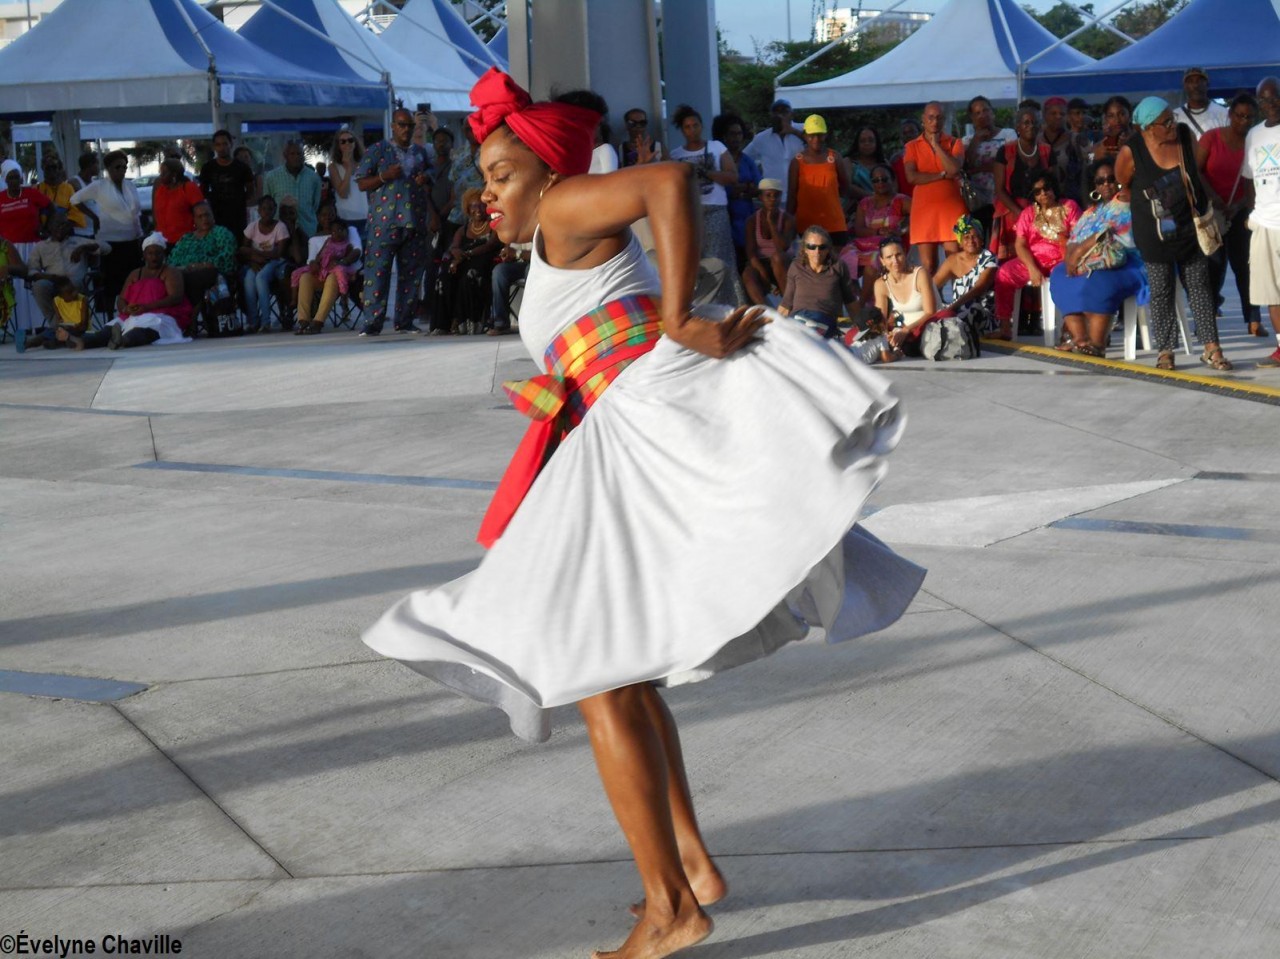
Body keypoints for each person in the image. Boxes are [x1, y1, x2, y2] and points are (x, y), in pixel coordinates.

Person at [362, 68, 922, 959]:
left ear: (547, 173)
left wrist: (677, 318)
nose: (489, 191)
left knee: (598, 675)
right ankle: (690, 867)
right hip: (617, 433)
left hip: (635, 425)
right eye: (485, 176)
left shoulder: (564, 205)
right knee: (620, 673)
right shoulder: (555, 223)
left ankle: (671, 909)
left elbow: (668, 182)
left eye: (503, 173)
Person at [1116, 97, 1230, 371]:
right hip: (1152, 231)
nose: (1172, 125)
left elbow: (1196, 172)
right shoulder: (1132, 150)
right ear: (1147, 128)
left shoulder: (1184, 136)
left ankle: (1212, 348)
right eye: (1165, 122)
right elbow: (1123, 180)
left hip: (1189, 227)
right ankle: (1166, 351)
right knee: (1161, 290)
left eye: (1172, 119)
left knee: (1200, 287)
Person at [1049, 159, 1147, 357]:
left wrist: (1080, 251)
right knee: (1060, 274)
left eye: (1111, 179)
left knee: (1098, 280)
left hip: (1126, 261)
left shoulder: (1126, 200)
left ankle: (1097, 343)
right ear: (1094, 186)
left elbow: (1106, 233)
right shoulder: (1091, 212)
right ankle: (1080, 338)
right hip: (1092, 260)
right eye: (1100, 181)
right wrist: (1071, 259)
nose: (1107, 184)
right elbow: (1073, 240)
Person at [354, 107, 432, 336]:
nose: (406, 129)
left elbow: (430, 177)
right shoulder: (377, 150)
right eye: (402, 125)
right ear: (393, 126)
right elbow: (361, 183)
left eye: (410, 126)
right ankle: (372, 323)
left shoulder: (420, 152)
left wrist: (425, 179)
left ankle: (404, 321)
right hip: (384, 223)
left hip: (414, 221)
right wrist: (383, 176)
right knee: (377, 273)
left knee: (411, 275)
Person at [1197, 93, 1261, 335]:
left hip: (1240, 211)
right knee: (1213, 267)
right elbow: (1196, 170)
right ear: (1230, 114)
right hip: (1212, 212)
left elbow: (1257, 181)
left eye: (1249, 117)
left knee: (1245, 266)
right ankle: (1208, 321)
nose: (1243, 121)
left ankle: (1253, 319)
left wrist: (1239, 204)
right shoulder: (1212, 138)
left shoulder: (1255, 142)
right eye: (1239, 115)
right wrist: (1213, 197)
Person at [669, 103, 745, 306]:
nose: (692, 130)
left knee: (721, 258)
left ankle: (731, 304)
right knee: (695, 260)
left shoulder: (717, 148)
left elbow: (733, 176)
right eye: (687, 127)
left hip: (715, 210)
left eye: (695, 125)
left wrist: (707, 173)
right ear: (682, 130)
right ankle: (702, 305)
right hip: (689, 214)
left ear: (701, 126)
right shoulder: (676, 155)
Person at [993, 170, 1080, 340]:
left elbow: (1079, 236)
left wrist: (1069, 256)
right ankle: (1005, 328)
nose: (1043, 194)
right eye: (1037, 191)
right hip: (1034, 260)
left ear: (1054, 187)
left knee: (1069, 278)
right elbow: (1020, 245)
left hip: (1063, 259)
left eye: (1046, 188)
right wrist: (1032, 268)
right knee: (1003, 274)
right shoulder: (1028, 213)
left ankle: (1069, 328)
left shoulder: (1069, 206)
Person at [66, 232, 191, 350]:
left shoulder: (170, 272)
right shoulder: (135, 274)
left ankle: (122, 340)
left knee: (143, 330)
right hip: (133, 314)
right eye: (150, 253)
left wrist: (146, 307)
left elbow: (175, 297)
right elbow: (121, 299)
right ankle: (81, 341)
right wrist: (125, 309)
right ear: (144, 255)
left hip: (161, 315)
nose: (154, 257)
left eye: (158, 253)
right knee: (107, 331)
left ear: (163, 254)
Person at [72, 149, 143, 306]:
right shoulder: (99, 186)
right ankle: (111, 317)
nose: (122, 170)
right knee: (111, 285)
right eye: (118, 167)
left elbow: (136, 213)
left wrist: (140, 235)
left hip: (131, 241)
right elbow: (75, 200)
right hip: (110, 242)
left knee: (133, 282)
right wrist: (93, 216)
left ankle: (132, 313)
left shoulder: (130, 185)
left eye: (124, 167)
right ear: (108, 168)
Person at [904, 101, 966, 277]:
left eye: (939, 118)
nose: (935, 122)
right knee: (928, 265)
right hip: (924, 210)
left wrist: (937, 145)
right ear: (923, 119)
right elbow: (911, 177)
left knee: (954, 259)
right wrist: (941, 175)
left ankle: (957, 296)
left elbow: (954, 169)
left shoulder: (954, 142)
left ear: (944, 120)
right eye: (930, 117)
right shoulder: (911, 146)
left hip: (951, 208)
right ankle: (932, 295)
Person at [1245, 76, 1280, 368]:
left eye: (1275, 97)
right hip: (1264, 224)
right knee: (1271, 292)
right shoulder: (1254, 135)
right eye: (1265, 99)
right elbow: (1249, 179)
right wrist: (1251, 215)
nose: (1271, 104)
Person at [25, 211, 108, 328]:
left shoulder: (78, 241)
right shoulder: (40, 246)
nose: (61, 228)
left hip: (76, 283)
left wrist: (84, 248)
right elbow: (32, 270)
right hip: (53, 282)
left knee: (70, 287)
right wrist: (50, 277)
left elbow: (107, 247)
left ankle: (60, 327)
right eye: (57, 224)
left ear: (69, 227)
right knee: (39, 286)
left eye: (64, 224)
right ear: (50, 226)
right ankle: (56, 322)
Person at [990, 108, 1052, 261]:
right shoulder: (1005, 151)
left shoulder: (1046, 150)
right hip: (1011, 211)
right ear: (1018, 127)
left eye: (1034, 122)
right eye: (1026, 123)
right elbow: (999, 189)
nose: (1031, 126)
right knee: (1010, 261)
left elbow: (1052, 183)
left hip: (1040, 211)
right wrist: (1022, 214)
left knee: (1040, 257)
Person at [778, 225, 859, 339]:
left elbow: (850, 300)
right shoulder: (796, 266)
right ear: (805, 249)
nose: (817, 251)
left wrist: (860, 325)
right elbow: (786, 304)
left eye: (822, 247)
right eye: (812, 247)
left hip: (824, 320)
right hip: (798, 318)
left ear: (828, 249)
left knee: (810, 333)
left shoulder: (838, 267)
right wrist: (775, 327)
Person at [2, 159, 53, 334]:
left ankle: (40, 324)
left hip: (32, 246)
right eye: (11, 177)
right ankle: (21, 327)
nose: (15, 181)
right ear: (5, 179)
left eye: (17, 177)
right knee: (17, 287)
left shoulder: (31, 193)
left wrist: (45, 227)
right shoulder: (1, 198)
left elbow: (50, 207)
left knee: (34, 282)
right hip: (11, 249)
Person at [787, 114, 850, 249]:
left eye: (820, 135)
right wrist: (787, 221)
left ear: (825, 135)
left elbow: (845, 186)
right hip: (807, 224)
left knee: (837, 260)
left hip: (834, 223)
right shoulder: (797, 162)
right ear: (805, 136)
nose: (816, 139)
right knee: (812, 260)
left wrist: (832, 201)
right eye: (812, 135)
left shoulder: (835, 157)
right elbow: (792, 194)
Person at [444, 186, 502, 334]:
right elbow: (454, 246)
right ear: (467, 209)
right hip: (464, 261)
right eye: (473, 206)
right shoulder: (463, 229)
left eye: (481, 205)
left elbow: (491, 245)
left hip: (485, 263)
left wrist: (466, 254)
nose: (478, 209)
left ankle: (469, 322)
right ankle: (446, 322)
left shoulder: (493, 225)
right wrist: (456, 254)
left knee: (470, 275)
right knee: (445, 275)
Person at [291, 211, 360, 334]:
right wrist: (315, 263)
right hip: (321, 273)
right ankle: (303, 321)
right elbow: (313, 259)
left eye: (330, 214)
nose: (327, 217)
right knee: (305, 277)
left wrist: (342, 261)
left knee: (333, 277)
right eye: (323, 215)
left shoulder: (349, 233)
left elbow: (356, 252)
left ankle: (318, 322)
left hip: (340, 276)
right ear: (318, 218)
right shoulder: (319, 239)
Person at [848, 163, 910, 298]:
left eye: (884, 179)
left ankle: (862, 302)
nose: (880, 183)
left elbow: (918, 219)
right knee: (845, 259)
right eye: (876, 180)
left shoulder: (902, 200)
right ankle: (857, 297)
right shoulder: (865, 203)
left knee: (873, 262)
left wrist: (901, 231)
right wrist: (877, 232)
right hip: (865, 245)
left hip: (888, 247)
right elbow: (858, 230)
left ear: (893, 180)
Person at [933, 214, 998, 337]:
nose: (971, 241)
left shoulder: (989, 258)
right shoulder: (953, 260)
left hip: (982, 314)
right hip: (957, 311)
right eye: (966, 237)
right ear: (960, 243)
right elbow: (933, 285)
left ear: (982, 240)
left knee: (970, 308)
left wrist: (952, 308)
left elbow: (979, 288)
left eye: (975, 236)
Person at [962, 95, 1016, 237]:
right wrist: (976, 140)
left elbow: (1010, 162)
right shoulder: (966, 141)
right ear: (972, 117)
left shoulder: (1008, 134)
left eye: (985, 110)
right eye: (977, 113)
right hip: (977, 200)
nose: (982, 115)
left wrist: (979, 169)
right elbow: (965, 167)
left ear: (992, 112)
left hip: (1003, 197)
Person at [713, 113, 761, 271]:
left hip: (745, 217)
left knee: (748, 263)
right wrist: (739, 189)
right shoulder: (716, 161)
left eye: (739, 134)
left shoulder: (747, 161)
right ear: (724, 136)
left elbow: (759, 187)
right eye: (732, 134)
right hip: (724, 217)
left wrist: (743, 188)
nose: (737, 138)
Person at [168, 201, 237, 309]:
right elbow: (173, 260)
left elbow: (227, 258)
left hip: (214, 277)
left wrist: (202, 265)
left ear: (212, 215)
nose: (204, 219)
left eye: (207, 215)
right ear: (194, 220)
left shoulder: (221, 233)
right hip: (185, 276)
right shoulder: (186, 238)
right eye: (200, 216)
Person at [877, 237, 939, 353]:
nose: (895, 260)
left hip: (929, 326)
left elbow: (931, 312)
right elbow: (881, 320)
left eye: (898, 255)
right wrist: (887, 335)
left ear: (905, 253)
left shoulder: (920, 274)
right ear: (882, 261)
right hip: (903, 329)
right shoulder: (880, 284)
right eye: (889, 257)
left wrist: (906, 330)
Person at [239, 195, 290, 333]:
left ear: (275, 210)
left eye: (270, 209)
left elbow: (278, 253)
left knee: (261, 278)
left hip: (275, 263)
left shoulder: (280, 227)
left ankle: (266, 322)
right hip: (256, 262)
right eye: (263, 209)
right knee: (248, 279)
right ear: (259, 210)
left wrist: (256, 254)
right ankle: (253, 321)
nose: (267, 212)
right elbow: (243, 249)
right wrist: (253, 260)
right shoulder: (252, 226)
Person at [740, 178, 795, 305]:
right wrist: (763, 274)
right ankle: (765, 310)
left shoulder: (787, 219)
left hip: (784, 263)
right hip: (762, 263)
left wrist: (771, 223)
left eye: (776, 196)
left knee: (777, 257)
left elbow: (783, 247)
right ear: (760, 197)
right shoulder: (752, 221)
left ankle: (789, 306)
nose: (772, 199)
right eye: (768, 195)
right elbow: (751, 253)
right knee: (748, 273)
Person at [744, 98, 804, 204]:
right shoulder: (761, 138)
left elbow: (818, 145)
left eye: (784, 112)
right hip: (773, 198)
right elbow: (744, 158)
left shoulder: (803, 129)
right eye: (776, 112)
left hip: (801, 195)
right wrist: (756, 180)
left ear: (792, 115)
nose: (780, 116)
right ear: (771, 116)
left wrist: (793, 131)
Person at [200, 130, 256, 236]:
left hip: (238, 218)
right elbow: (203, 191)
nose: (222, 148)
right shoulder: (208, 168)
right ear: (214, 147)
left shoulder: (242, 167)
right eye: (218, 144)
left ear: (231, 144)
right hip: (216, 217)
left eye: (225, 144)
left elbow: (250, 191)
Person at [264, 141, 322, 237]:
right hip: (279, 234)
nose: (296, 157)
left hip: (307, 231)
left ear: (303, 156)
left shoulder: (314, 178)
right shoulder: (271, 177)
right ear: (285, 155)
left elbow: (315, 205)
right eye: (292, 154)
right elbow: (267, 204)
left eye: (299, 154)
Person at [1040, 96, 1088, 206]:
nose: (1058, 117)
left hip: (1070, 201)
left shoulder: (1076, 139)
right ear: (1044, 115)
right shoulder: (1036, 140)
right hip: (1042, 201)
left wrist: (1092, 156)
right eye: (1053, 113)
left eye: (1062, 114)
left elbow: (1091, 159)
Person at [151, 157, 205, 246]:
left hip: (184, 241)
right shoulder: (160, 190)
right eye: (160, 172)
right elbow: (155, 212)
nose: (161, 176)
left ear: (174, 174)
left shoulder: (189, 188)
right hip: (162, 241)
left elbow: (201, 214)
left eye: (164, 173)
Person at [329, 125, 368, 236]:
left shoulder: (364, 164)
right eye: (343, 141)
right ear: (338, 145)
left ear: (355, 143)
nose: (347, 143)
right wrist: (348, 168)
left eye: (350, 140)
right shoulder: (333, 167)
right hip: (346, 219)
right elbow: (343, 193)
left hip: (366, 217)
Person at [1172, 67, 1229, 139]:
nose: (1195, 85)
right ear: (1185, 86)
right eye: (1190, 81)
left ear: (1207, 85)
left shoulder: (1223, 113)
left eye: (1200, 81)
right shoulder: (1175, 116)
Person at [36, 154, 86, 232]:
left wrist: (62, 230)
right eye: (48, 168)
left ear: (59, 169)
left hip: (63, 233)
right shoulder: (37, 189)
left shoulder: (68, 188)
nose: (51, 170)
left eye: (54, 167)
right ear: (43, 169)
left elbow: (76, 214)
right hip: (42, 234)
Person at [488, 241, 529, 335]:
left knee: (530, 271)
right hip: (518, 264)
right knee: (499, 271)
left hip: (536, 264)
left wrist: (517, 253)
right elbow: (507, 247)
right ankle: (501, 323)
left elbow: (540, 253)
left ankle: (531, 323)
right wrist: (506, 254)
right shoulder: (513, 232)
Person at [844, 124, 886, 202]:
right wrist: (872, 197)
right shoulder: (849, 162)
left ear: (877, 142)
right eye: (862, 141)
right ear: (857, 144)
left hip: (883, 206)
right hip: (855, 207)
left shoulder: (884, 163)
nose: (867, 143)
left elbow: (893, 187)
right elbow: (846, 186)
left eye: (871, 140)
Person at [1090, 96, 1133, 164]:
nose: (1117, 120)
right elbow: (1088, 162)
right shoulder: (1101, 145)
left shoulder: (1140, 140)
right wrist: (1095, 156)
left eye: (1122, 114)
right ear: (1106, 119)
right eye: (1111, 116)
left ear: (1130, 115)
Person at [232, 145, 263, 223]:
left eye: (246, 157)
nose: (243, 160)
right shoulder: (232, 178)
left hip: (254, 214)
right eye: (240, 157)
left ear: (250, 159)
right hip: (236, 213)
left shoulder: (257, 177)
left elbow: (259, 197)